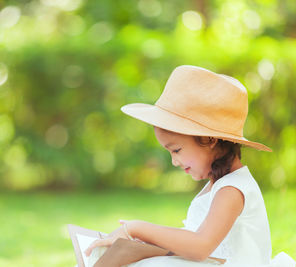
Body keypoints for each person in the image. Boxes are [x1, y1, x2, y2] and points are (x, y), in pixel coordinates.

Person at [83, 65, 295, 266]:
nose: (174, 161)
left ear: (209, 140)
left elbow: (200, 247)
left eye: (176, 150)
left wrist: (137, 228)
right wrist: (140, 247)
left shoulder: (232, 189)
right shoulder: (219, 185)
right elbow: (194, 247)